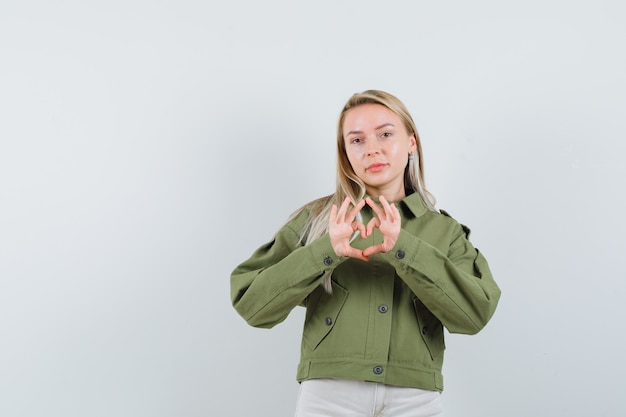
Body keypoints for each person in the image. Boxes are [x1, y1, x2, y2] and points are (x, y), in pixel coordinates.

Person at [230, 90, 501, 416]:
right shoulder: (318, 221)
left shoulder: (445, 232)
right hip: (329, 395)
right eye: (356, 140)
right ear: (345, 152)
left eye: (385, 134)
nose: (372, 149)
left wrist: (404, 249)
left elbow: (475, 314)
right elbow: (251, 304)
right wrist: (325, 251)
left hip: (415, 398)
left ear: (411, 142)